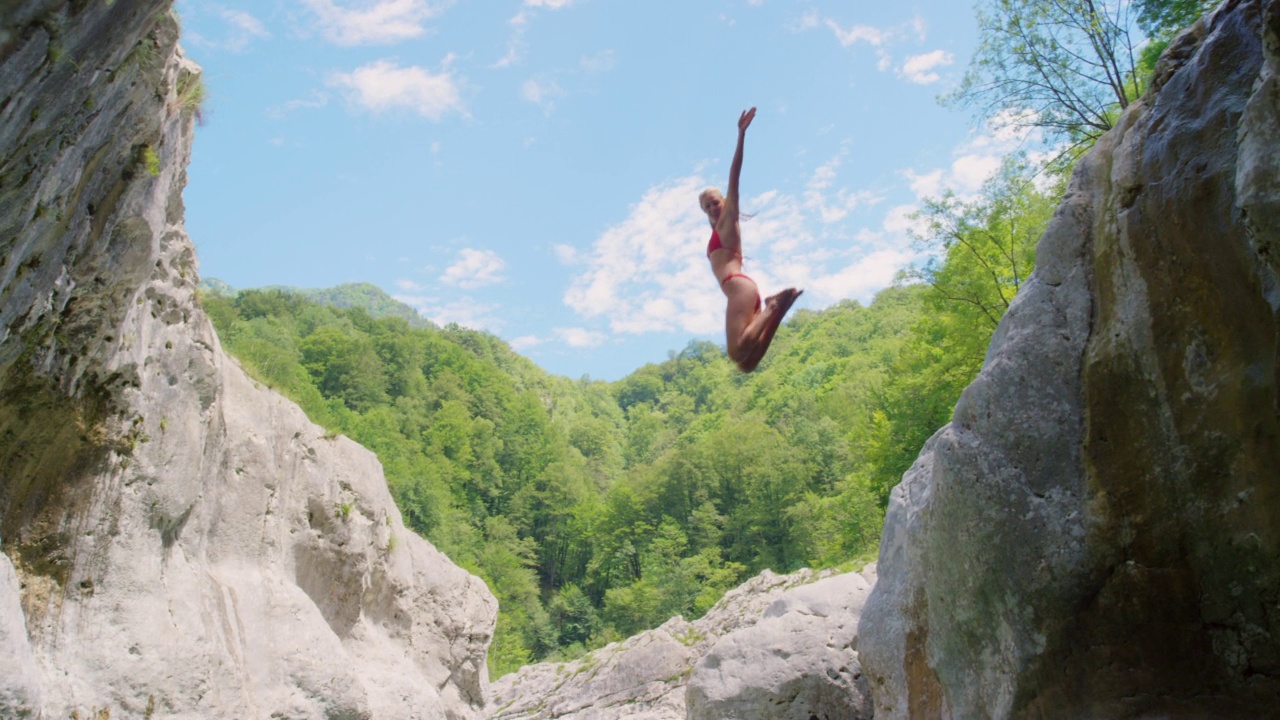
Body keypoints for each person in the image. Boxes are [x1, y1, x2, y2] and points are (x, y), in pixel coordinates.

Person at [700, 107, 801, 373]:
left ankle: (773, 306)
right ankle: (778, 309)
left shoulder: (729, 218)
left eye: (715, 202)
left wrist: (741, 135)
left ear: (724, 202)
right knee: (747, 364)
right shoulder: (716, 232)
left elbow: (734, 176)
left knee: (736, 352)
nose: (712, 208)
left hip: (738, 287)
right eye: (706, 207)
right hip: (742, 291)